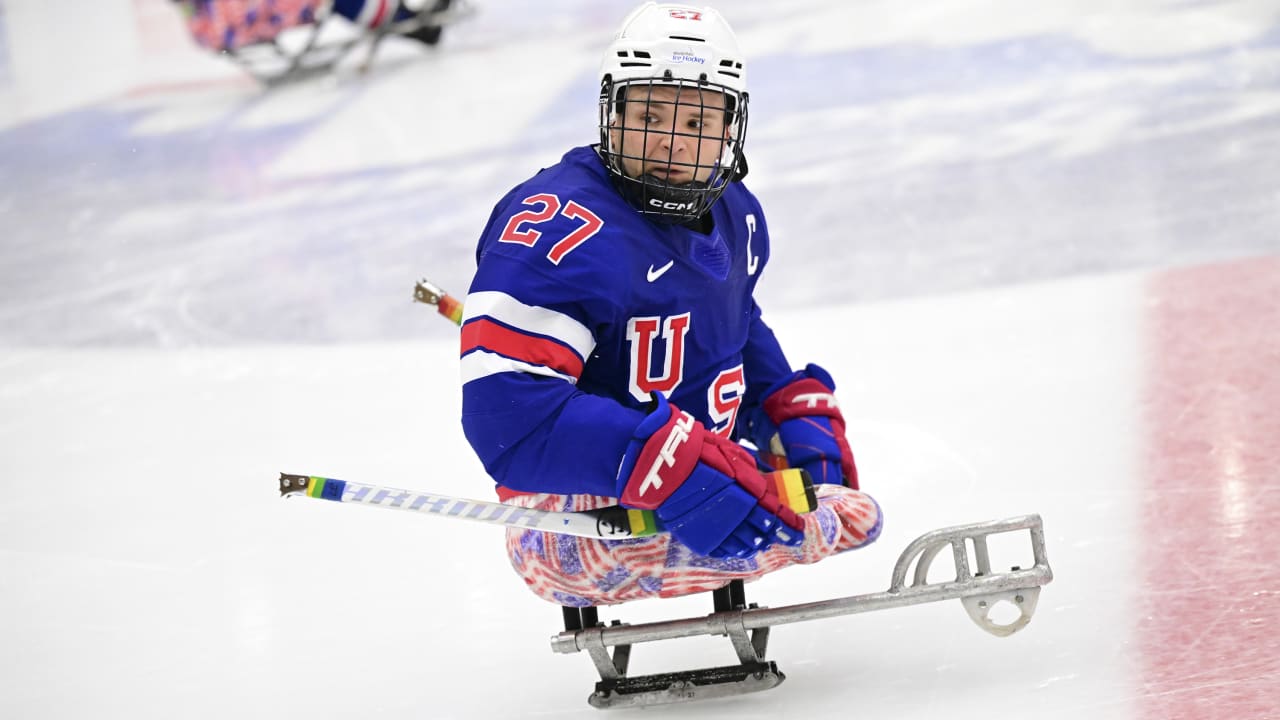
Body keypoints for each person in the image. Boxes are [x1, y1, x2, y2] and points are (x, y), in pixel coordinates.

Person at [460, 2, 882, 608]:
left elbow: (728, 319)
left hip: (697, 468)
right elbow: (509, 422)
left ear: (730, 128)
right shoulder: (558, 228)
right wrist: (663, 462)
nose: (671, 142)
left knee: (836, 501)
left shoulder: (738, 213)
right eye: (650, 115)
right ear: (613, 113)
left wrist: (780, 403)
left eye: (697, 122)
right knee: (848, 519)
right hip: (574, 526)